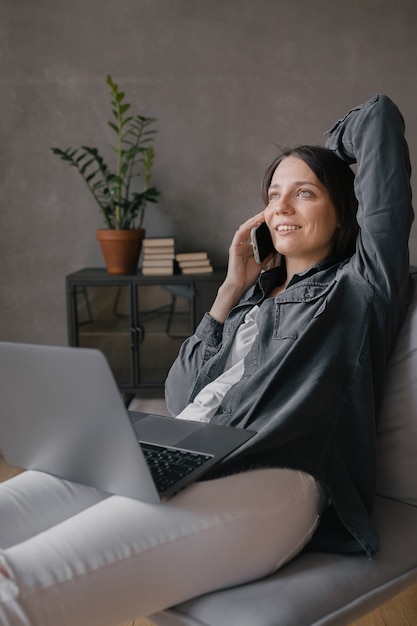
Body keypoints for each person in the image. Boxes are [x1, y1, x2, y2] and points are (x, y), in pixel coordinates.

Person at [0, 94, 413, 626]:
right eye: (272, 195)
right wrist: (229, 291)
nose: (281, 207)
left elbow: (378, 116)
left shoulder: (361, 286)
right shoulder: (249, 298)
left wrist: (327, 157)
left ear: (343, 212)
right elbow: (180, 397)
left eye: (304, 193)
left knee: (17, 585)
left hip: (273, 470)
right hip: (176, 446)